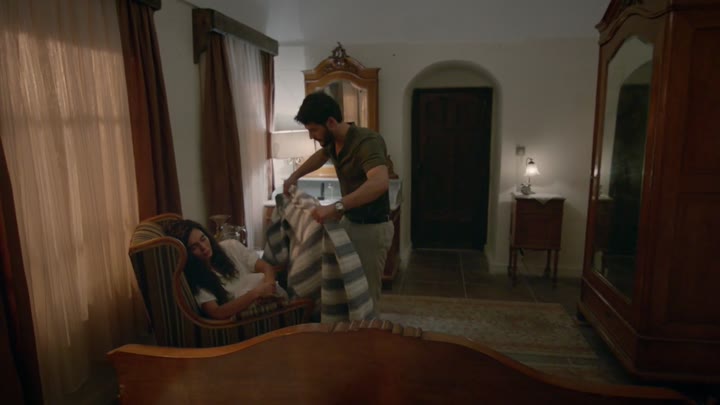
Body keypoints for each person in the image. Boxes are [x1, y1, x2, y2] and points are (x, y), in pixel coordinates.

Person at [283, 91, 394, 304]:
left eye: (313, 130)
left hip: (371, 228)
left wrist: (337, 207)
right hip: (351, 222)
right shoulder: (333, 142)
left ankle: (368, 327)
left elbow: (380, 183)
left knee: (365, 297)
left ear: (331, 122)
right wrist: (294, 176)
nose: (311, 136)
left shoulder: (366, 141)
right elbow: (320, 156)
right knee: (347, 291)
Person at [165, 219, 287, 320]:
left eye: (203, 239)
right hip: (250, 317)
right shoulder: (196, 279)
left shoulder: (230, 247)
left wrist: (269, 287)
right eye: (194, 247)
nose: (203, 247)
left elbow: (266, 267)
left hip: (275, 302)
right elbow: (216, 312)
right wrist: (256, 293)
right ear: (187, 253)